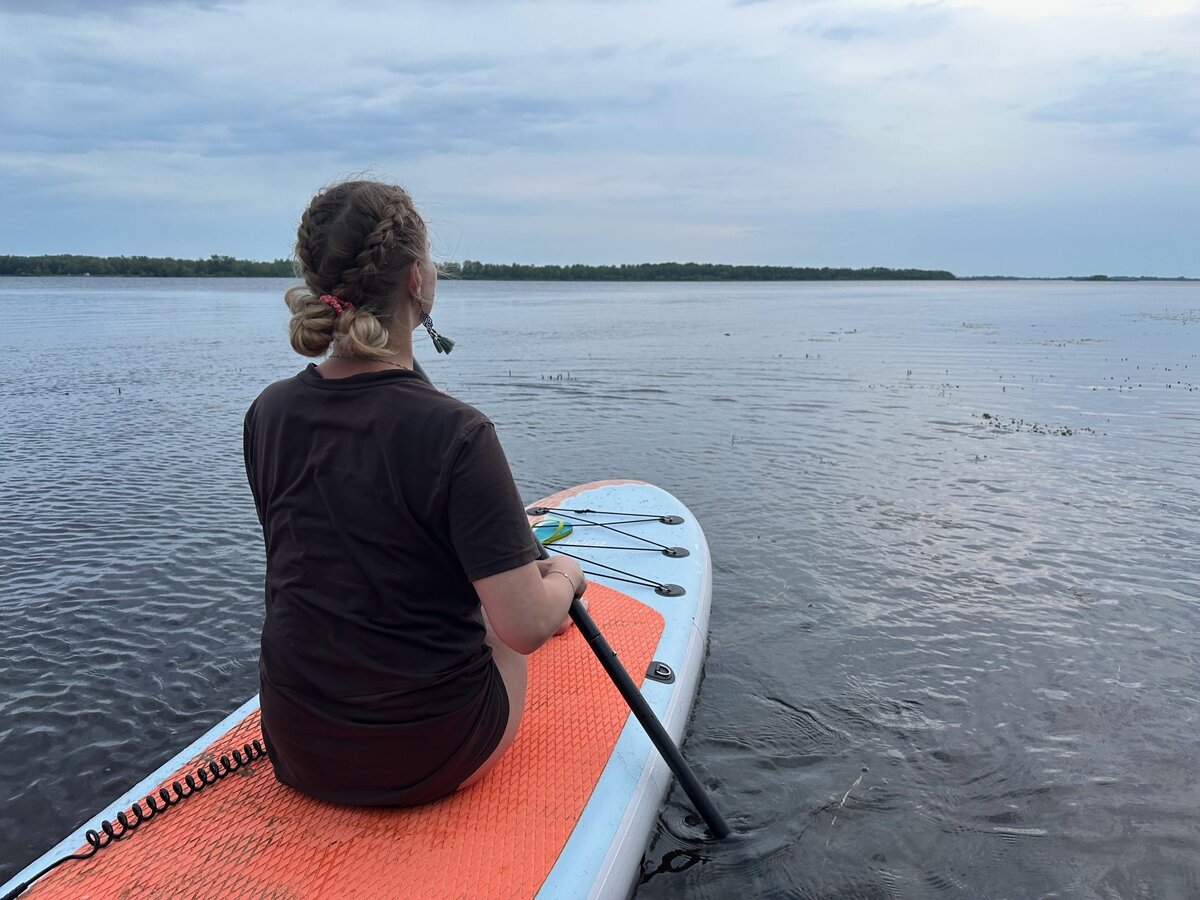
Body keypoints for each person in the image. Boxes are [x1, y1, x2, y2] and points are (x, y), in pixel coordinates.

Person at [243, 180, 586, 806]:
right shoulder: (459, 432)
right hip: (425, 753)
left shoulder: (268, 412)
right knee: (503, 621)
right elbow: (528, 626)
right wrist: (564, 578)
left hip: (293, 743)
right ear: (416, 281)